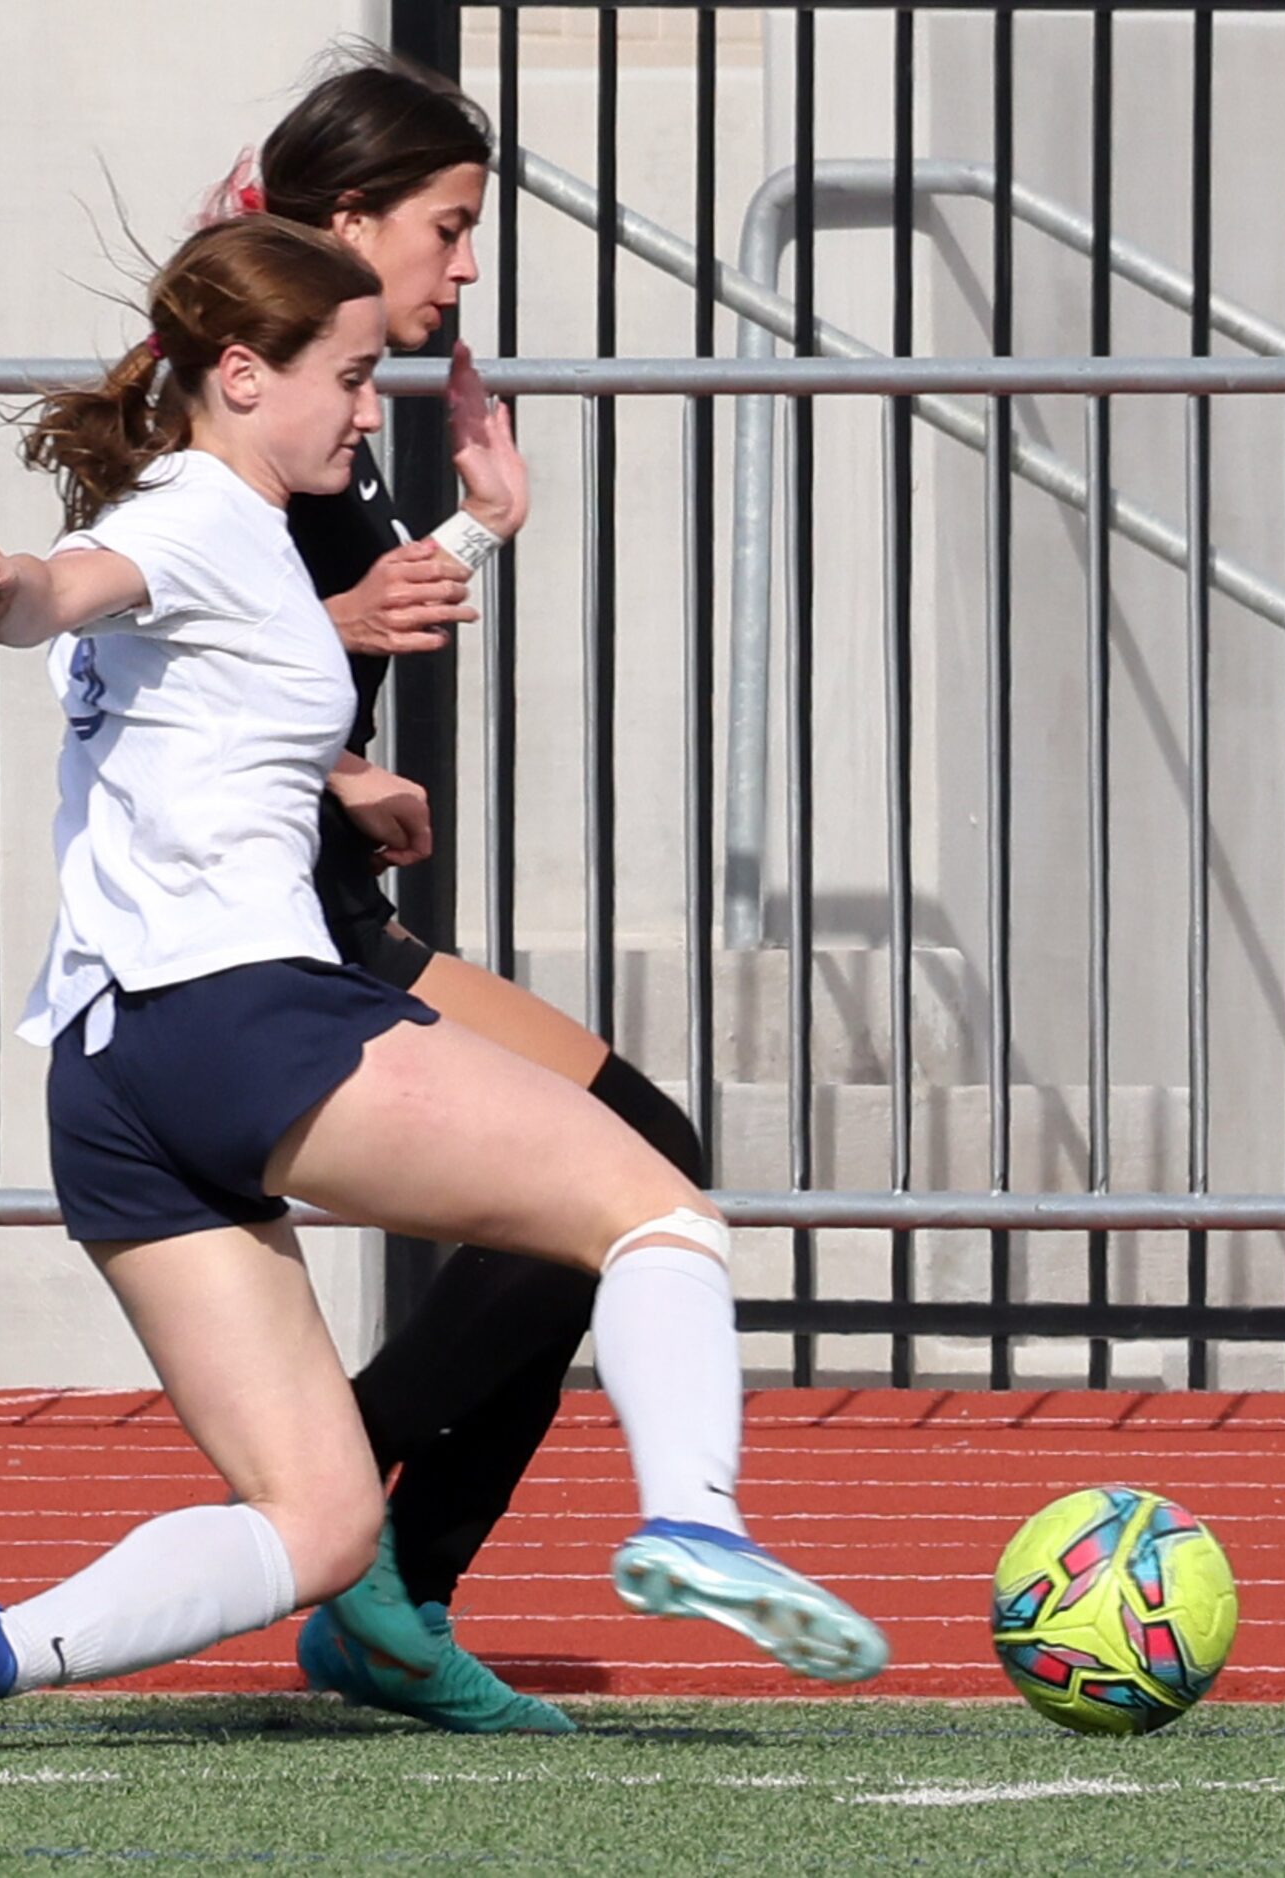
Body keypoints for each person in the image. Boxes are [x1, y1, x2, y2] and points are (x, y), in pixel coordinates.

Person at [0, 212, 887, 1729]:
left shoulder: (214, 523)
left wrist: (346, 763)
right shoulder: (204, 518)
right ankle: (692, 1516)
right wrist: (2, 586)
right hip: (246, 1021)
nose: (369, 408)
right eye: (351, 377)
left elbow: (213, 688)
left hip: (106, 1080)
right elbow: (71, 585)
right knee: (657, 1207)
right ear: (238, 372)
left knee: (319, 1519)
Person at [219, 52, 721, 1738]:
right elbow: (138, 654)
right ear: (348, 219)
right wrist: (325, 753)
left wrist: (480, 527)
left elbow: (344, 611)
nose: (468, 264)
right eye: (448, 225)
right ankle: (351, 1503)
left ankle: (395, 1584)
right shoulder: (239, 397)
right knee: (624, 1177)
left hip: (338, 902)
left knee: (642, 1153)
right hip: (254, 938)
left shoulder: (342, 390)